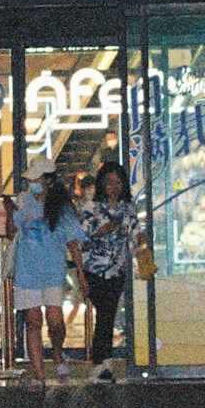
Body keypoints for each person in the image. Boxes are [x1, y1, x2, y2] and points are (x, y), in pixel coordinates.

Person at [10, 156, 86, 389]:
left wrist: (81, 273)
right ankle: (38, 374)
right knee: (33, 321)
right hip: (26, 272)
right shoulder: (23, 202)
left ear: (48, 180)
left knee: (55, 321)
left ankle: (56, 352)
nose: (32, 182)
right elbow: (11, 230)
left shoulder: (62, 207)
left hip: (53, 271)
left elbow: (73, 242)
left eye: (36, 178)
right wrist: (8, 211)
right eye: (31, 178)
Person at [79, 160, 137, 383]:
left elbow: (134, 234)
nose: (114, 187)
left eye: (118, 182)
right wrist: (101, 231)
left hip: (116, 271)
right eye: (109, 182)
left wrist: (140, 241)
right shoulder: (91, 209)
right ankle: (102, 363)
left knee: (107, 316)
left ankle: (102, 365)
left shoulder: (127, 209)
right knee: (104, 315)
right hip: (94, 270)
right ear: (101, 185)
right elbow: (79, 238)